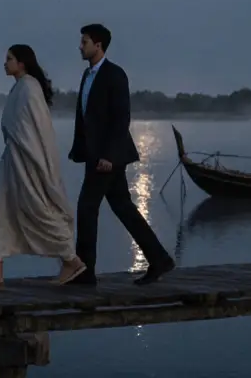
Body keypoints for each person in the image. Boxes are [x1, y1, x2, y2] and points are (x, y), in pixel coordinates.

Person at [0, 44, 88, 291]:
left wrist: (37, 163)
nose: (5, 63)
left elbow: (39, 132)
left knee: (37, 209)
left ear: (22, 62)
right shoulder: (20, 87)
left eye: (9, 58)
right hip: (12, 159)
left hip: (26, 161)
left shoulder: (29, 88)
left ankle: (71, 260)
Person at [66, 23, 176, 286]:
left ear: (98, 45)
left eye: (84, 42)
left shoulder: (115, 75)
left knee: (86, 208)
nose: (80, 46)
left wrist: (109, 156)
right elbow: (86, 117)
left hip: (107, 157)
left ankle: (85, 272)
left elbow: (121, 118)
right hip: (95, 155)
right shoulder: (87, 75)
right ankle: (159, 259)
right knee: (123, 207)